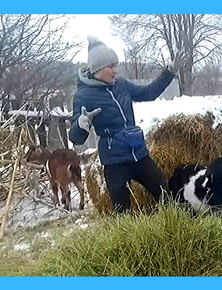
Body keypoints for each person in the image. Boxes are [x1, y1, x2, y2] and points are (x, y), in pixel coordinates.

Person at [70, 35, 186, 213]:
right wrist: (82, 122)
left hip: (139, 154)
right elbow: (77, 138)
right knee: (122, 213)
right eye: (111, 66)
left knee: (165, 196)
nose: (116, 70)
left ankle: (177, 228)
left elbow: (148, 93)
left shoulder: (121, 85)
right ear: (98, 69)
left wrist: (170, 72)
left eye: (117, 64)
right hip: (115, 163)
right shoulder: (83, 96)